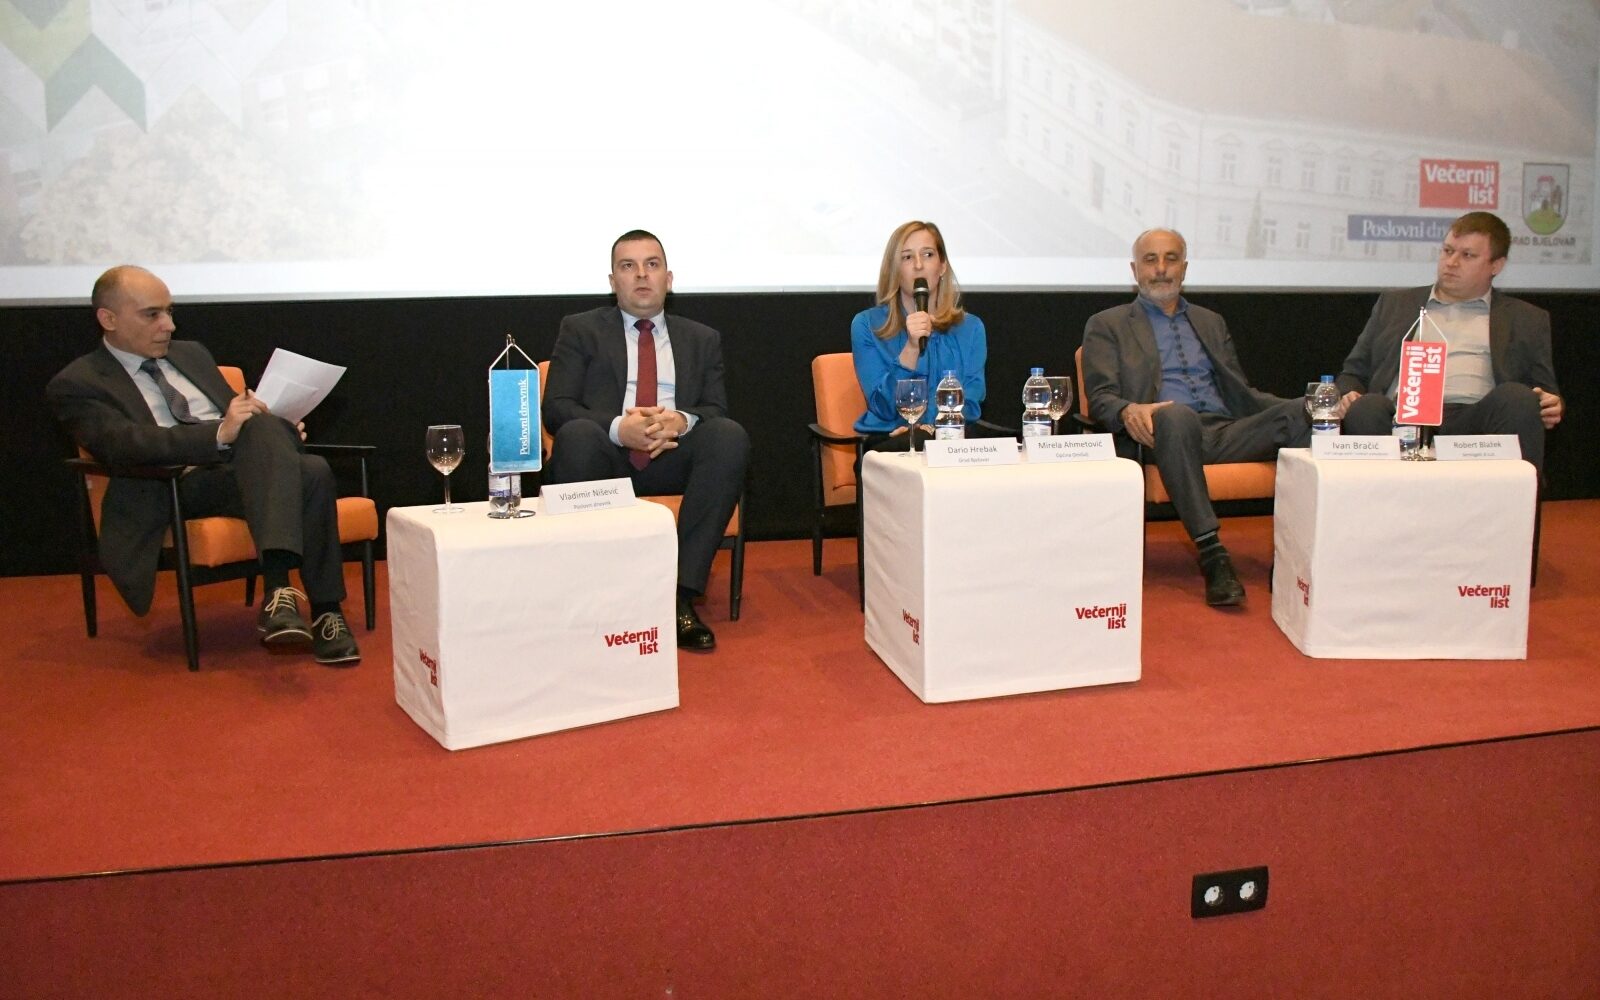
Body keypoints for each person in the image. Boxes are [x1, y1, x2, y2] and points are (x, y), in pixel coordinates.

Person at [46, 265, 359, 665]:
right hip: (172, 485)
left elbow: (240, 416)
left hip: (241, 472)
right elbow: (123, 446)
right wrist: (221, 434)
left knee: (308, 466)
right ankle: (307, 602)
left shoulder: (191, 354)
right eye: (152, 314)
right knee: (301, 464)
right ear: (108, 319)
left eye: (170, 311)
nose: (169, 325)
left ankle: (302, 604)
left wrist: (278, 430)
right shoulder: (78, 382)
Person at [542, 230, 749, 652]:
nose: (641, 275)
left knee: (728, 436)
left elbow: (715, 408)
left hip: (673, 456)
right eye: (628, 266)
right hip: (608, 458)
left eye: (652, 265)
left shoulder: (702, 338)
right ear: (612, 281)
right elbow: (557, 407)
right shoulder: (580, 329)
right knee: (577, 435)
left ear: (668, 279)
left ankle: (679, 596)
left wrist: (681, 421)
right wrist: (620, 428)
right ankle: (598, 595)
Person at [1082, 228, 1309, 607]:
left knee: (1304, 412)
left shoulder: (1210, 321)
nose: (1161, 269)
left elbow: (1242, 392)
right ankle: (1213, 556)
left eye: (1170, 259)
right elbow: (1101, 397)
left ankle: (1292, 558)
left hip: (1225, 430)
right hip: (1162, 435)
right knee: (1176, 416)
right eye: (1150, 260)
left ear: (1184, 268)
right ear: (1134, 270)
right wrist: (1127, 409)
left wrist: (1303, 405)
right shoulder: (1108, 324)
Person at [1337, 211, 1563, 473]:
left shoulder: (1526, 318)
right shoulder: (1395, 304)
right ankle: (1378, 498)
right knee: (1366, 407)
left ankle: (1517, 498)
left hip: (1474, 419)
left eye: (1467, 255)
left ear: (1496, 265)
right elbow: (1353, 373)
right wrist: (1348, 394)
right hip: (1402, 418)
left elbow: (1546, 391)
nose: (1451, 262)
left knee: (1518, 397)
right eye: (1447, 251)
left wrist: (1552, 404)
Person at [851, 220, 986, 448]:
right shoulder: (867, 325)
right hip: (891, 439)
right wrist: (912, 348)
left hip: (953, 438)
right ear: (895, 270)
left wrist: (931, 427)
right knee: (915, 442)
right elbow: (882, 407)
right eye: (907, 257)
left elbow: (971, 403)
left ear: (942, 266)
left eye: (928, 254)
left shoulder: (971, 328)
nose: (918, 265)